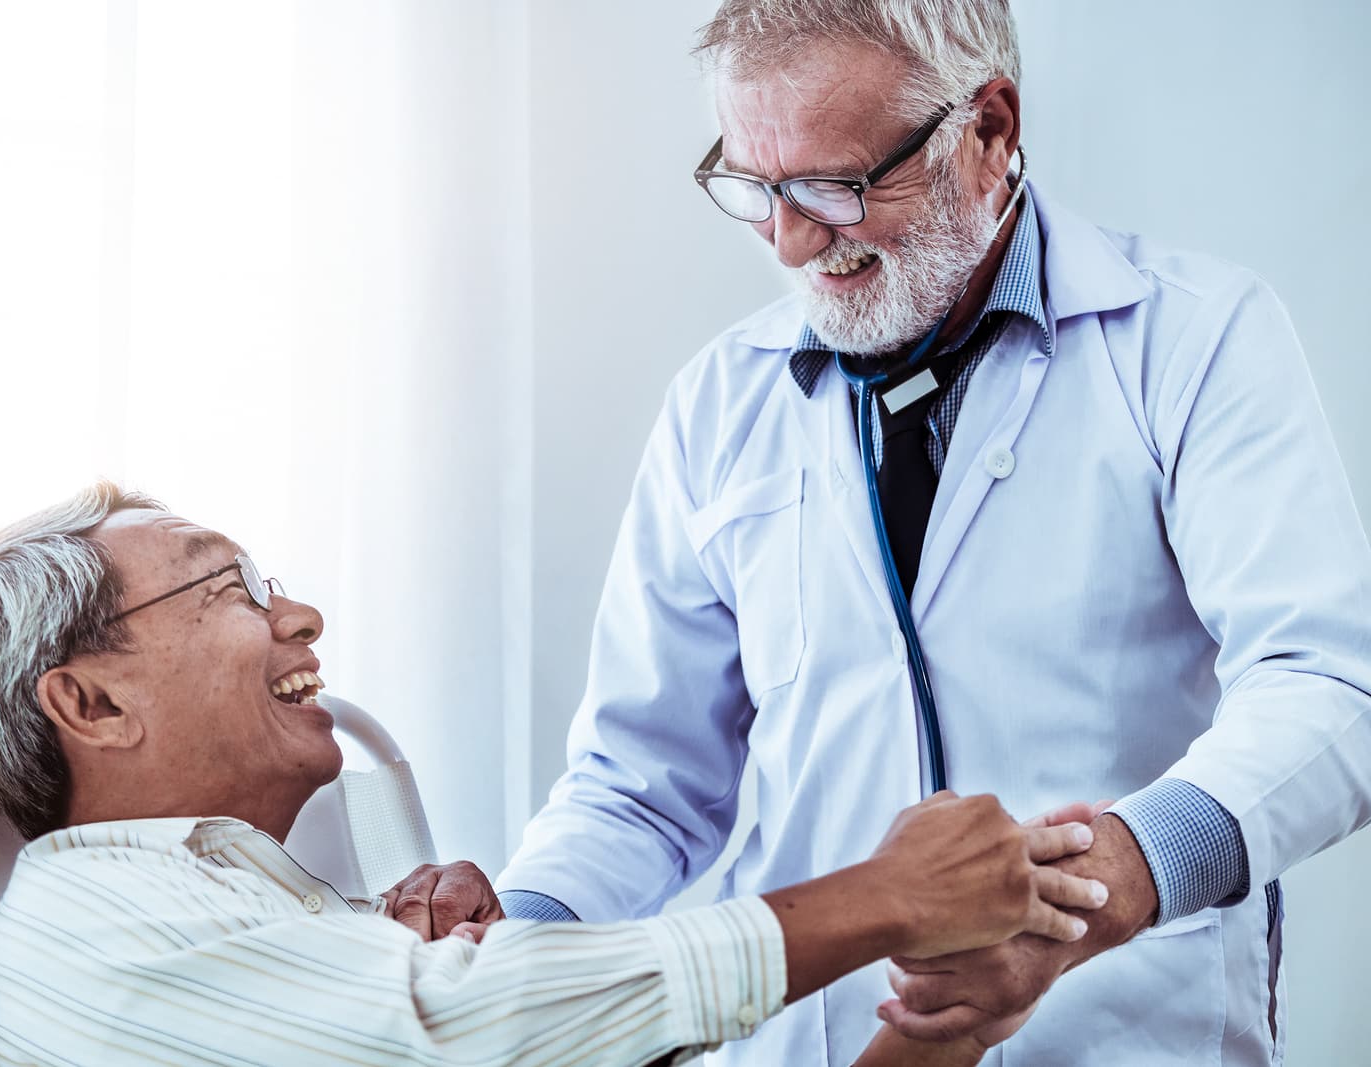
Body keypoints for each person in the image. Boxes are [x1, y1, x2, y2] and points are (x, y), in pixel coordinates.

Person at [495, 1, 1371, 1064]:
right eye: (756, 186)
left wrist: (1090, 898)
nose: (788, 237)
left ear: (988, 131)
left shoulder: (1194, 339)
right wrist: (507, 948)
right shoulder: (717, 405)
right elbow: (640, 782)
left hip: (1116, 1034)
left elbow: (1329, 683)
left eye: (836, 185)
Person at [0, 482, 1107, 1067]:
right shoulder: (86, 933)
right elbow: (458, 1032)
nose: (301, 614)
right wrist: (885, 897)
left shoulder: (299, 925)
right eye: (233, 588)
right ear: (92, 702)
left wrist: (949, 1023)